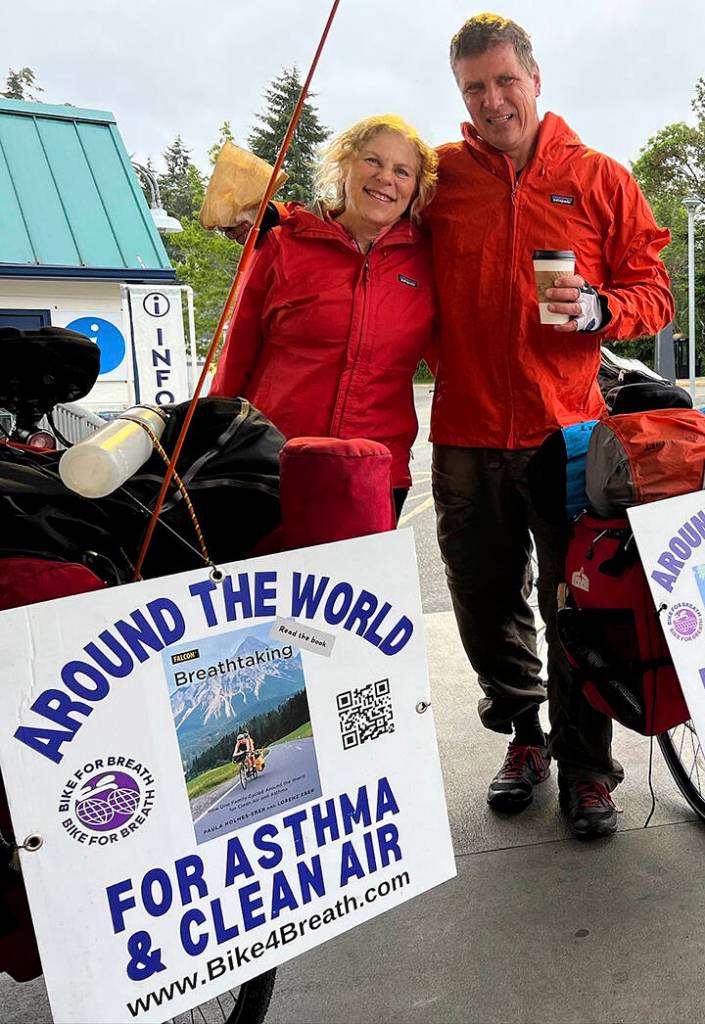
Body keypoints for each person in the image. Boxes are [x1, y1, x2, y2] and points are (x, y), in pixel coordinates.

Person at [425, 13, 674, 839]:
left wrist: (603, 307)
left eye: (504, 81)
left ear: (533, 79)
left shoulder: (598, 176)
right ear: (460, 93)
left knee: (577, 604)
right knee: (482, 603)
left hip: (565, 434)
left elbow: (653, 293)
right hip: (463, 431)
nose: (491, 100)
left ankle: (587, 769)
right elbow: (363, 220)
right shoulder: (439, 177)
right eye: (473, 87)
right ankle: (524, 737)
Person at [209, 115, 438, 519]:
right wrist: (208, 442)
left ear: (416, 189)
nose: (386, 178)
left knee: (358, 585)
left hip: (373, 475)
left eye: (402, 171)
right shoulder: (284, 243)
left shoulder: (429, 263)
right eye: (373, 161)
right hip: (270, 465)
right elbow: (236, 357)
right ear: (344, 165)